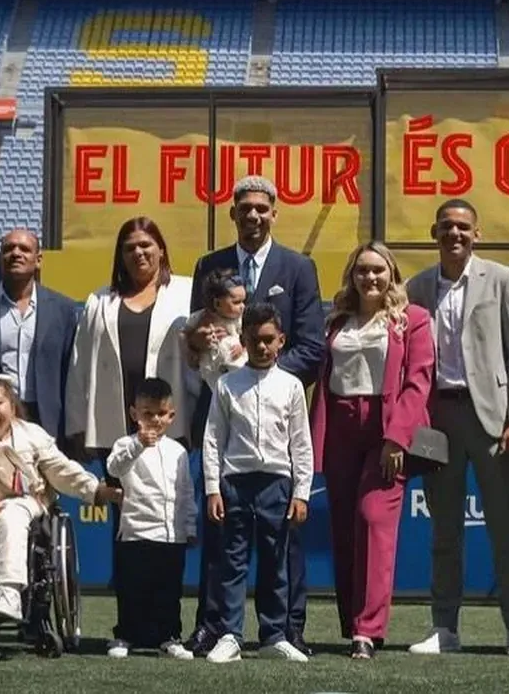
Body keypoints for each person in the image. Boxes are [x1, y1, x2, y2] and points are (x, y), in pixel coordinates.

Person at [185, 176, 325, 657]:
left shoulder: (299, 268)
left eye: (262, 208)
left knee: (283, 542)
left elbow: (312, 347)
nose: (253, 216)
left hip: (277, 424)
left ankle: (286, 628)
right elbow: (196, 339)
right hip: (223, 420)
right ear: (233, 214)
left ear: (274, 213)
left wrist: (259, 375)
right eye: (245, 208)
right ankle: (214, 627)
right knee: (223, 540)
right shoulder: (210, 266)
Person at [406, 198, 509, 659]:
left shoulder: (502, 279)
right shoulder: (418, 286)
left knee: (504, 528)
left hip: (492, 419)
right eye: (446, 227)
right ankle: (445, 627)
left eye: (463, 227)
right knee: (444, 531)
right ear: (433, 232)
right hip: (437, 418)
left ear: (476, 234)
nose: (454, 234)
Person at [309, 242, 435, 659]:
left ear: (392, 274)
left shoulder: (412, 320)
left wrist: (397, 438)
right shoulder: (336, 321)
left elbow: (418, 382)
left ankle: (369, 629)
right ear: (351, 276)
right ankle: (353, 623)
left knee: (374, 520)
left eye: (379, 270)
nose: (370, 278)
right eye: (362, 270)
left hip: (386, 429)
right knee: (344, 527)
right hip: (341, 425)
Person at [64, 216, 195, 584]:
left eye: (145, 245)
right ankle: (129, 612)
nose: (138, 252)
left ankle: (164, 615)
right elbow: (79, 364)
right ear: (120, 256)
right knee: (125, 519)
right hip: (115, 427)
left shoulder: (185, 293)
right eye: (130, 247)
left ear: (161, 250)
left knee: (165, 517)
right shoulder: (98, 301)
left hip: (170, 425)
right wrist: (77, 424)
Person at [0, 373, 119, 621]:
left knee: (12, 515)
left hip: (17, 500)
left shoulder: (32, 435)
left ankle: (10, 594)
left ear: (12, 406)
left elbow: (60, 470)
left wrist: (95, 489)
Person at [202, 302, 314, 664]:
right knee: (232, 562)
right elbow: (213, 439)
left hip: (277, 485)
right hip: (235, 482)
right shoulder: (227, 384)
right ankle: (230, 635)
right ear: (243, 340)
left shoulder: (292, 386)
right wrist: (213, 488)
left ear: (281, 340)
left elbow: (301, 443)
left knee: (275, 561)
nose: (262, 347)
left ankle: (273, 635)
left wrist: (301, 492)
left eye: (269, 340)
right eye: (255, 340)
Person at [105, 377, 197, 660]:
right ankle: (125, 636)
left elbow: (185, 491)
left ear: (171, 415)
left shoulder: (178, 451)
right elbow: (114, 466)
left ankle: (169, 637)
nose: (154, 420)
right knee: (132, 588)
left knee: (168, 591)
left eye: (160, 414)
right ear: (134, 414)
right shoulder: (125, 444)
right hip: (135, 533)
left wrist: (189, 526)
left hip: (171, 537)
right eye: (147, 413)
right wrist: (138, 446)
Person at [0, 228, 79, 444]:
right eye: (8, 249)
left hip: (46, 417)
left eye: (24, 249)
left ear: (38, 260)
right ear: (0, 258)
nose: (16, 253)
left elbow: (70, 372)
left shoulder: (62, 309)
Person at [183, 268, 248, 390]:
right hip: (210, 366)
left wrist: (242, 346)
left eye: (243, 301)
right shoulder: (201, 317)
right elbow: (186, 333)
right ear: (217, 303)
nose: (242, 307)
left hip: (234, 359)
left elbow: (248, 334)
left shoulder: (240, 319)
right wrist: (194, 343)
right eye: (236, 302)